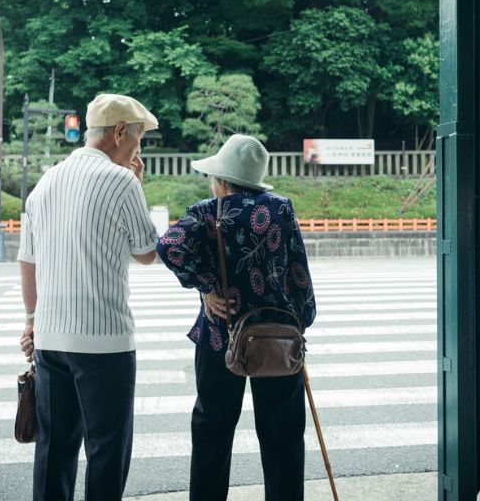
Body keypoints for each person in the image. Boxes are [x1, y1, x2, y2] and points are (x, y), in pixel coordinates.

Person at [156, 134, 317, 501]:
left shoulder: (207, 212)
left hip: (220, 335)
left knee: (213, 428)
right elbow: (298, 270)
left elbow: (168, 247)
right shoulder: (280, 208)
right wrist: (303, 320)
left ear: (222, 180)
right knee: (283, 435)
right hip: (278, 336)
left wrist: (205, 286)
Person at [17, 93, 161, 501]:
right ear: (119, 133)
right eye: (138, 139)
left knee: (53, 449)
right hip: (104, 343)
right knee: (106, 451)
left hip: (50, 339)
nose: (138, 149)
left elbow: (27, 260)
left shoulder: (46, 180)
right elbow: (147, 253)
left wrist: (31, 319)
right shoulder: (121, 181)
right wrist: (138, 186)